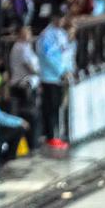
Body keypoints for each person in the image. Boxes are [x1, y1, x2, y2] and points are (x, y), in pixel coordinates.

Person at [35, 11, 76, 149]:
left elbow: (66, 53)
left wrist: (69, 70)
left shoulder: (62, 34)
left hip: (60, 77)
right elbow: (48, 57)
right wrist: (61, 71)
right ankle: (50, 136)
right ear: (53, 18)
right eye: (58, 18)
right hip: (50, 76)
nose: (61, 21)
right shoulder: (46, 35)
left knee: (57, 105)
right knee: (50, 106)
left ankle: (56, 135)